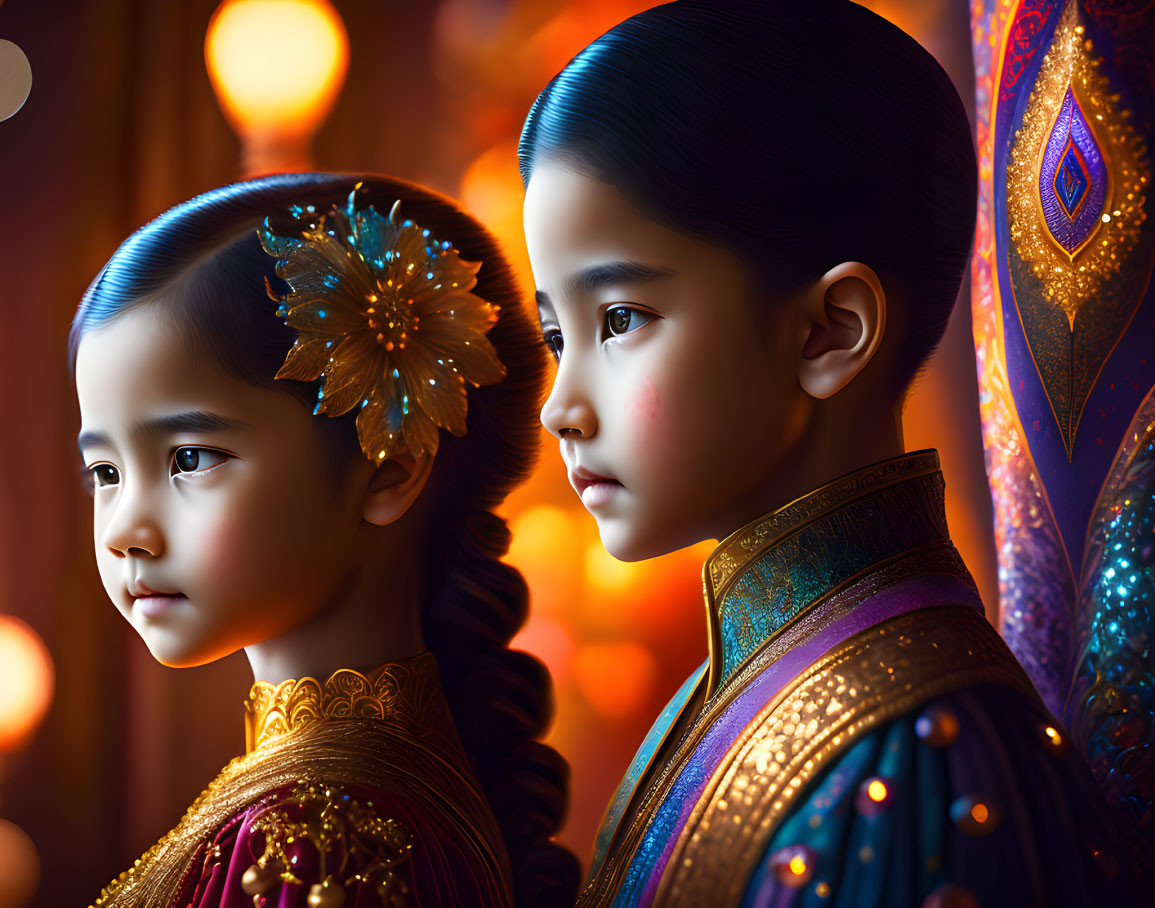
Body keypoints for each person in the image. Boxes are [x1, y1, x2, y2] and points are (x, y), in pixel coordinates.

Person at [518, 1, 1137, 905]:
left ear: (827, 333)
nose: (559, 408)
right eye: (552, 336)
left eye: (618, 320)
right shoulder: (730, 693)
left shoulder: (923, 765)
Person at [72, 173, 578, 907]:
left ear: (388, 470)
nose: (124, 530)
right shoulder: (345, 796)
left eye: (188, 458)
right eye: (105, 471)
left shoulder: (315, 839)